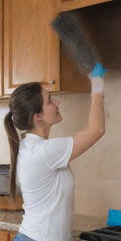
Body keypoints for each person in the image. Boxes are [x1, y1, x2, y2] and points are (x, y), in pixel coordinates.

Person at [4, 63, 107, 241]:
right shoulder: (43, 151)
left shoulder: (35, 148)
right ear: (38, 116)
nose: (57, 102)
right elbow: (96, 130)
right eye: (50, 100)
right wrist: (97, 86)